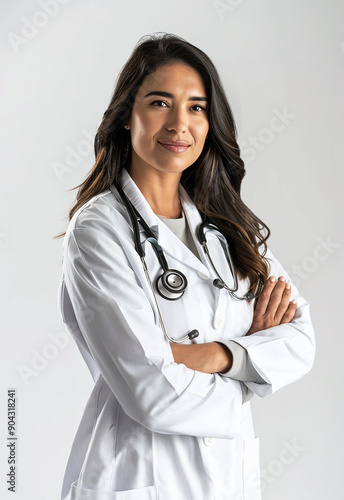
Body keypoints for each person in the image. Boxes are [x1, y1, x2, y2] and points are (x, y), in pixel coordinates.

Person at [57, 32, 315, 500]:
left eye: (196, 107)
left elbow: (300, 341)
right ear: (125, 116)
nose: (180, 124)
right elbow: (151, 393)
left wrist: (219, 356)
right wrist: (251, 369)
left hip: (227, 477)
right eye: (160, 102)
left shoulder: (226, 227)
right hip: (138, 474)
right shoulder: (98, 231)